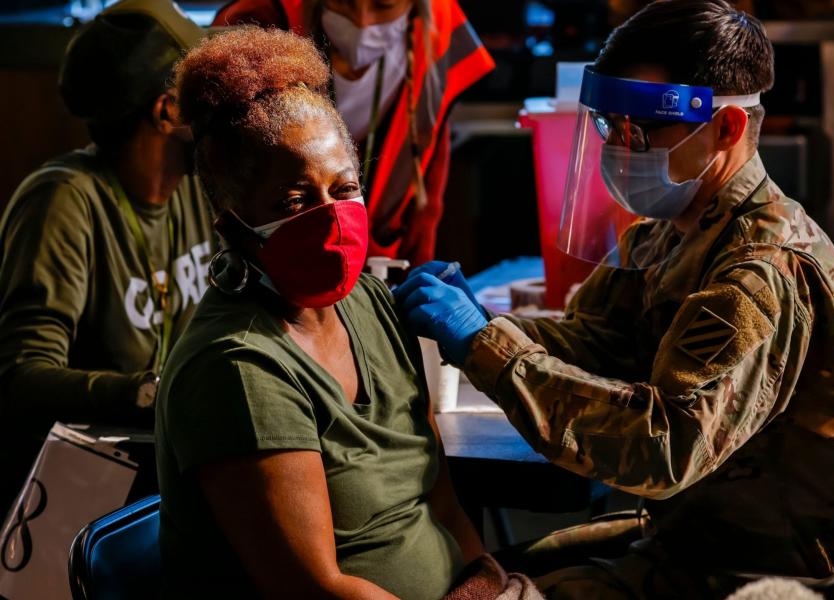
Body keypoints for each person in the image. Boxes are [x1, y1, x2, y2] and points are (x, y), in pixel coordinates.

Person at [396, 0, 834, 596]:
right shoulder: (674, 231)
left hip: (743, 568)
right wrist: (487, 322)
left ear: (725, 128)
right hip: (688, 534)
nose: (620, 148)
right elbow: (606, 339)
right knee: (468, 569)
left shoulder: (756, 273)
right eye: (608, 126)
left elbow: (662, 448)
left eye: (640, 129)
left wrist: (486, 346)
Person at [156, 27, 535, 600]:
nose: (331, 217)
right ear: (234, 225)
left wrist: (486, 584)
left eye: (344, 187)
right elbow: (316, 588)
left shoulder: (371, 302)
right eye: (295, 200)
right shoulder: (238, 368)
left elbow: (443, 505)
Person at [0, 0, 212, 513]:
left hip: (171, 469)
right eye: (204, 93)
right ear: (168, 111)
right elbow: (21, 376)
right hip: (85, 493)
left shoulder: (197, 189)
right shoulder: (63, 200)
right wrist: (150, 394)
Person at [212, 0, 494, 265]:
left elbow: (427, 184)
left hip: (383, 258)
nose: (362, 21)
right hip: (278, 252)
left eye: (384, 4)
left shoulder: (437, 32)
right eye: (343, 1)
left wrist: (420, 273)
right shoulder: (261, 21)